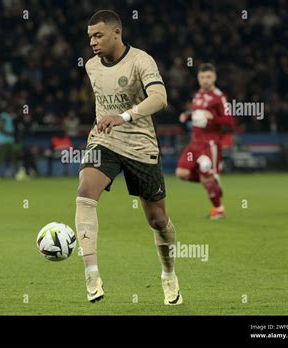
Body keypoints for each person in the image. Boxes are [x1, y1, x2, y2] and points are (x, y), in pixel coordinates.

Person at [76, 10, 182, 305]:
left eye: (98, 35)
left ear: (116, 33)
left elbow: (160, 99)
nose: (93, 43)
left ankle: (168, 275)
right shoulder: (91, 66)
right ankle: (92, 275)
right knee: (85, 192)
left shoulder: (141, 60)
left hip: (140, 146)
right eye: (90, 38)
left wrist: (124, 116)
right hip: (104, 140)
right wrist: (108, 121)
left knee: (158, 220)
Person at [176, 63, 235, 220]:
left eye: (208, 77)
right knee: (181, 173)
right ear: (198, 78)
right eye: (202, 77)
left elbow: (229, 121)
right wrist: (188, 115)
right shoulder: (198, 95)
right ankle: (213, 184)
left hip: (210, 144)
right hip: (194, 143)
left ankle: (219, 209)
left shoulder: (219, 97)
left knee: (205, 175)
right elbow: (198, 113)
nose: (205, 80)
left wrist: (213, 118)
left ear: (214, 77)